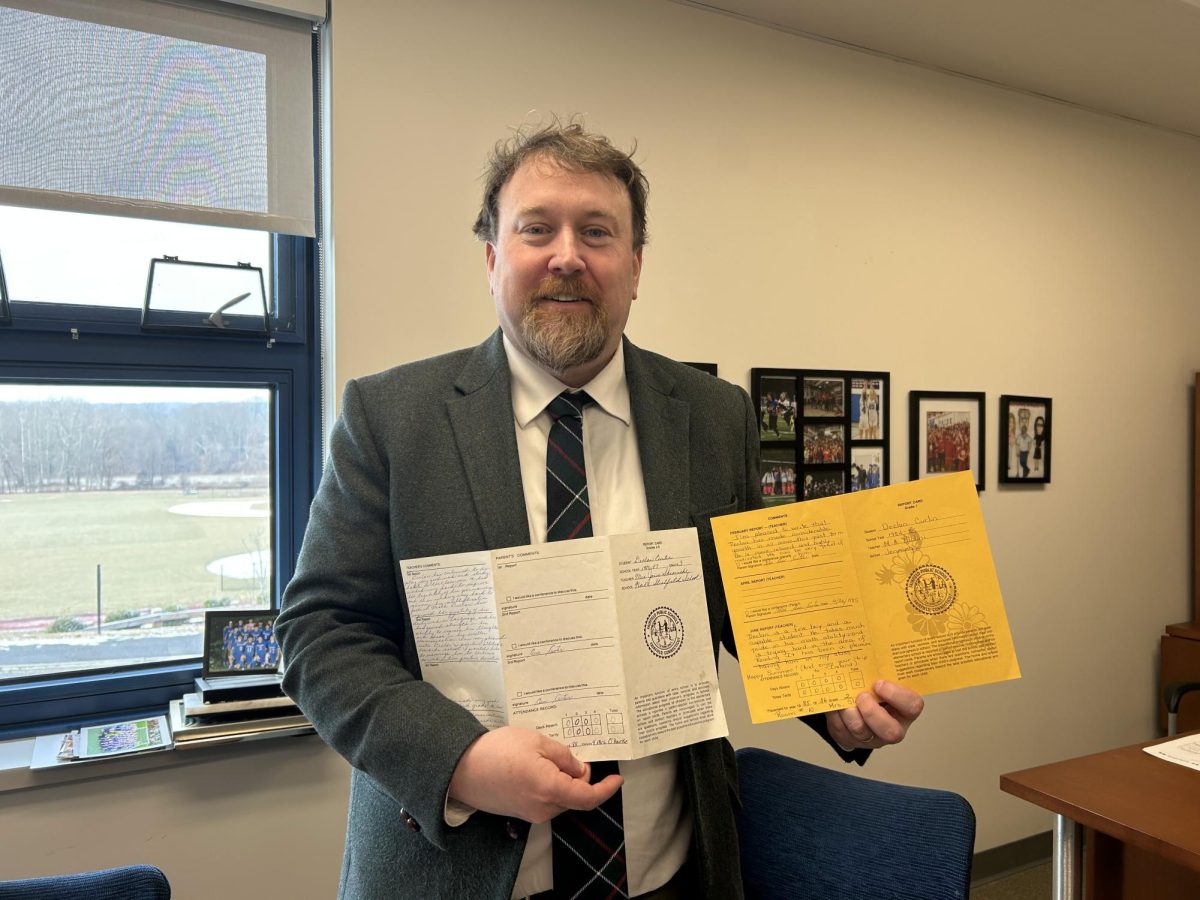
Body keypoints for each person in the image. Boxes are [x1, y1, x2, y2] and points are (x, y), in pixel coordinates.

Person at [275, 121, 923, 900]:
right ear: (491, 259)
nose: (567, 256)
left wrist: (838, 701)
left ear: (637, 265)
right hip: (455, 875)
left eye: (597, 232)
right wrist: (463, 761)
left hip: (674, 872)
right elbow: (319, 633)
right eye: (537, 229)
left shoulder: (715, 416)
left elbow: (751, 606)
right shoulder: (390, 417)